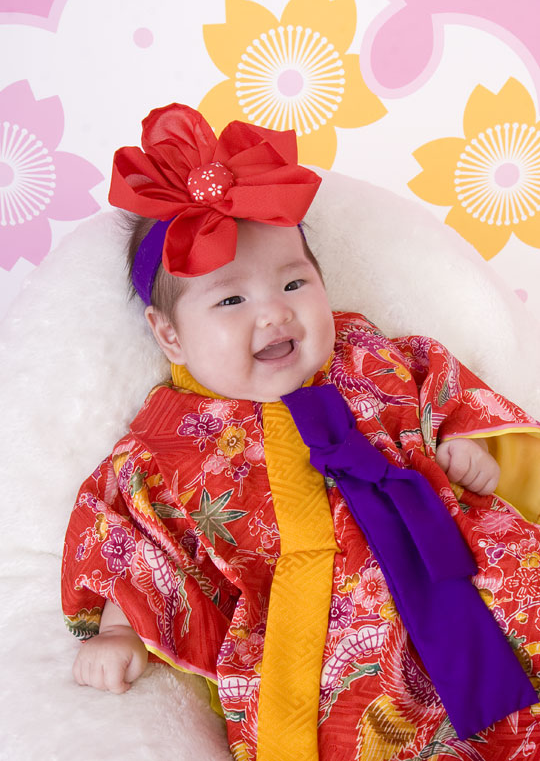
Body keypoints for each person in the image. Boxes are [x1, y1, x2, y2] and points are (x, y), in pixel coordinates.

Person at [62, 104, 540, 761]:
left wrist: (465, 442)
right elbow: (135, 540)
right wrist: (120, 631)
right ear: (169, 334)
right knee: (363, 732)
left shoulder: (366, 354)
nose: (274, 313)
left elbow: (441, 387)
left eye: (293, 282)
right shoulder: (163, 444)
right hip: (327, 649)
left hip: (459, 560)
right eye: (231, 300)